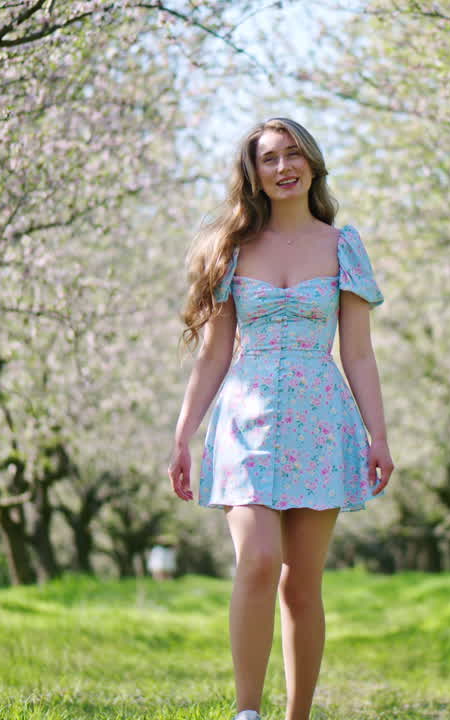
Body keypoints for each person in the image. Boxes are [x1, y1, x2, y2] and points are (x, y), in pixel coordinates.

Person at [168, 118, 394, 720]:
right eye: (269, 158)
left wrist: (378, 435)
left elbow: (359, 353)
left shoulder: (343, 245)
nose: (283, 167)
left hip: (322, 419)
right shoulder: (232, 248)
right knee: (259, 559)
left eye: (293, 154)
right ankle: (247, 712)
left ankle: (298, 716)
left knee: (301, 585)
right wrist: (184, 436)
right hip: (246, 417)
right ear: (255, 174)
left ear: (313, 163)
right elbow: (214, 352)